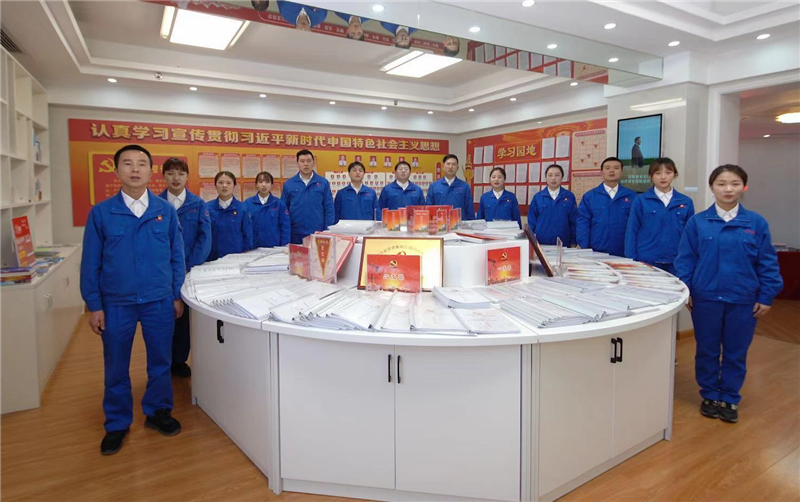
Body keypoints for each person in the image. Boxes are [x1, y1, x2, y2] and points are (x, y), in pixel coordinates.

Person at [80, 145, 185, 456]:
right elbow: (90, 263)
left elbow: (176, 256)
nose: (135, 169)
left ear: (151, 171)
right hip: (116, 302)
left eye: (141, 164)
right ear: (116, 171)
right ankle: (116, 423)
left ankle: (158, 411)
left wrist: (176, 294)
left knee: (161, 361)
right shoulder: (101, 213)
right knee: (116, 365)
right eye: (127, 164)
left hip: (158, 300)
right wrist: (94, 305)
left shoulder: (165, 210)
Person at [674, 165, 782, 423]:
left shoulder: (756, 223)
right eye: (721, 184)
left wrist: (766, 295)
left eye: (735, 183)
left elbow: (767, 262)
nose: (728, 189)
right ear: (712, 187)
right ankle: (710, 394)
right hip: (706, 298)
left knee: (736, 351)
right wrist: (686, 289)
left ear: (744, 187)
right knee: (707, 350)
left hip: (743, 299)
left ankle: (730, 398)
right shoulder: (698, 222)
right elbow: (685, 259)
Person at [158, 157, 212, 378]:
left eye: (180, 173)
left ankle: (179, 360)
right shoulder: (155, 204)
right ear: (163, 176)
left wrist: (189, 267)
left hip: (189, 271)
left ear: (187, 177)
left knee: (183, 319)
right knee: (162, 317)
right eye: (171, 173)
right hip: (162, 272)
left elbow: (204, 238)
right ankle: (162, 361)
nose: (176, 178)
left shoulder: (197, 204)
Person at [624, 158, 694, 275]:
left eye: (668, 172)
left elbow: (690, 236)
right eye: (658, 173)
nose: (663, 177)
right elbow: (632, 231)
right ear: (650, 176)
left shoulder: (686, 202)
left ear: (675, 174)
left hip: (675, 261)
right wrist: (631, 260)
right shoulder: (641, 201)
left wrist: (688, 261)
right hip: (646, 260)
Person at [577, 156, 636, 256]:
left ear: (622, 171)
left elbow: (636, 225)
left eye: (616, 168)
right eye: (607, 168)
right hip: (596, 252)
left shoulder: (632, 196)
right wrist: (584, 248)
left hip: (624, 252)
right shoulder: (590, 197)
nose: (612, 171)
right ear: (601, 172)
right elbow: (583, 224)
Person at [281, 149, 335, 244]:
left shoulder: (323, 183)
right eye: (302, 161)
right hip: (295, 233)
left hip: (318, 232)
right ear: (297, 163)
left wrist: (327, 230)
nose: (306, 164)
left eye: (309, 161)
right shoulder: (289, 184)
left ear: (313, 163)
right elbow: (284, 210)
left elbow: (329, 208)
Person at [206, 171, 253, 260]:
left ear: (234, 186)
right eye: (220, 183)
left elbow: (248, 236)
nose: (224, 186)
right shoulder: (207, 208)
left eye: (228, 183)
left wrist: (246, 256)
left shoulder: (243, 208)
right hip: (213, 258)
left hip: (236, 258)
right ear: (215, 185)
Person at [527, 164, 578, 246]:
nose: (553, 178)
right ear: (546, 177)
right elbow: (531, 222)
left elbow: (574, 221)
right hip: (541, 243)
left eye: (557, 175)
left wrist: (573, 242)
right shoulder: (538, 197)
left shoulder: (569, 196)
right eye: (550, 175)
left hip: (564, 244)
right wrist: (532, 241)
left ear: (562, 178)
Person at [247, 171, 290, 248]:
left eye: (267, 182)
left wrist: (284, 246)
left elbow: (285, 228)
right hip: (253, 247)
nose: (264, 185)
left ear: (272, 185)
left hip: (274, 248)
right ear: (256, 185)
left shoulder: (279, 204)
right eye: (260, 182)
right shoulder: (247, 204)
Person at [426, 154, 475, 220]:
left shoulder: (465, 186)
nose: (450, 167)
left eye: (453, 164)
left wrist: (471, 223)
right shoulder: (434, 186)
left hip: (460, 224)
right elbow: (429, 208)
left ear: (457, 168)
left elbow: (469, 209)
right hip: (440, 223)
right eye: (448, 164)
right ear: (443, 167)